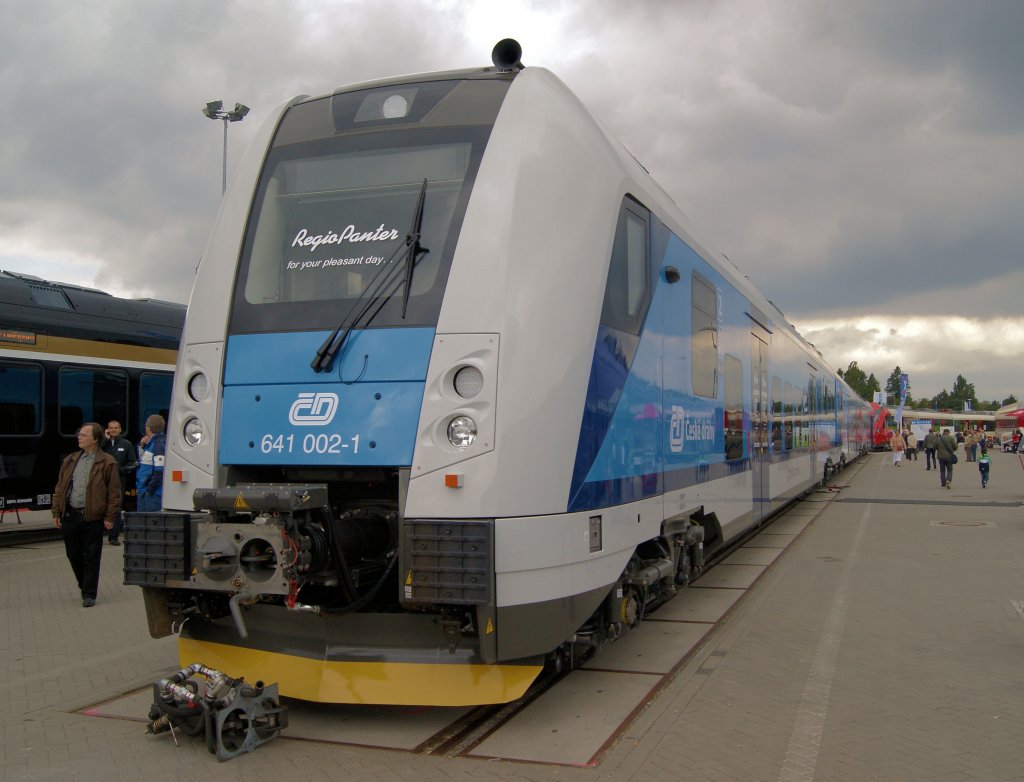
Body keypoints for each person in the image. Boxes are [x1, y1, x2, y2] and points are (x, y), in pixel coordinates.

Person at [51, 422, 121, 607]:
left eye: (83, 435)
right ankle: (84, 583)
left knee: (92, 556)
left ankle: (89, 593)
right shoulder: (71, 460)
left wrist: (109, 517)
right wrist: (56, 511)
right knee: (73, 553)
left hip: (94, 517)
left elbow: (114, 492)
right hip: (71, 515)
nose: (79, 437)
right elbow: (60, 487)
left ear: (95, 439)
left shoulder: (107, 462)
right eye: (79, 434)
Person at [102, 419, 138, 545]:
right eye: (110, 428)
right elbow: (95, 454)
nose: (113, 430)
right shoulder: (103, 444)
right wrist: (105, 439)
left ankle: (113, 537)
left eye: (115, 427)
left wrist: (122, 471)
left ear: (120, 429)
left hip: (119, 481)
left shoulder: (126, 444)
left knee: (116, 508)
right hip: (102, 480)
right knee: (100, 507)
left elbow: (133, 462)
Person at [136, 414, 166, 512]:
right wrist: (141, 446)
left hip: (152, 494)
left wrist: (149, 489)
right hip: (147, 492)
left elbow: (160, 470)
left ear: (148, 427)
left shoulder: (158, 444)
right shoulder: (152, 443)